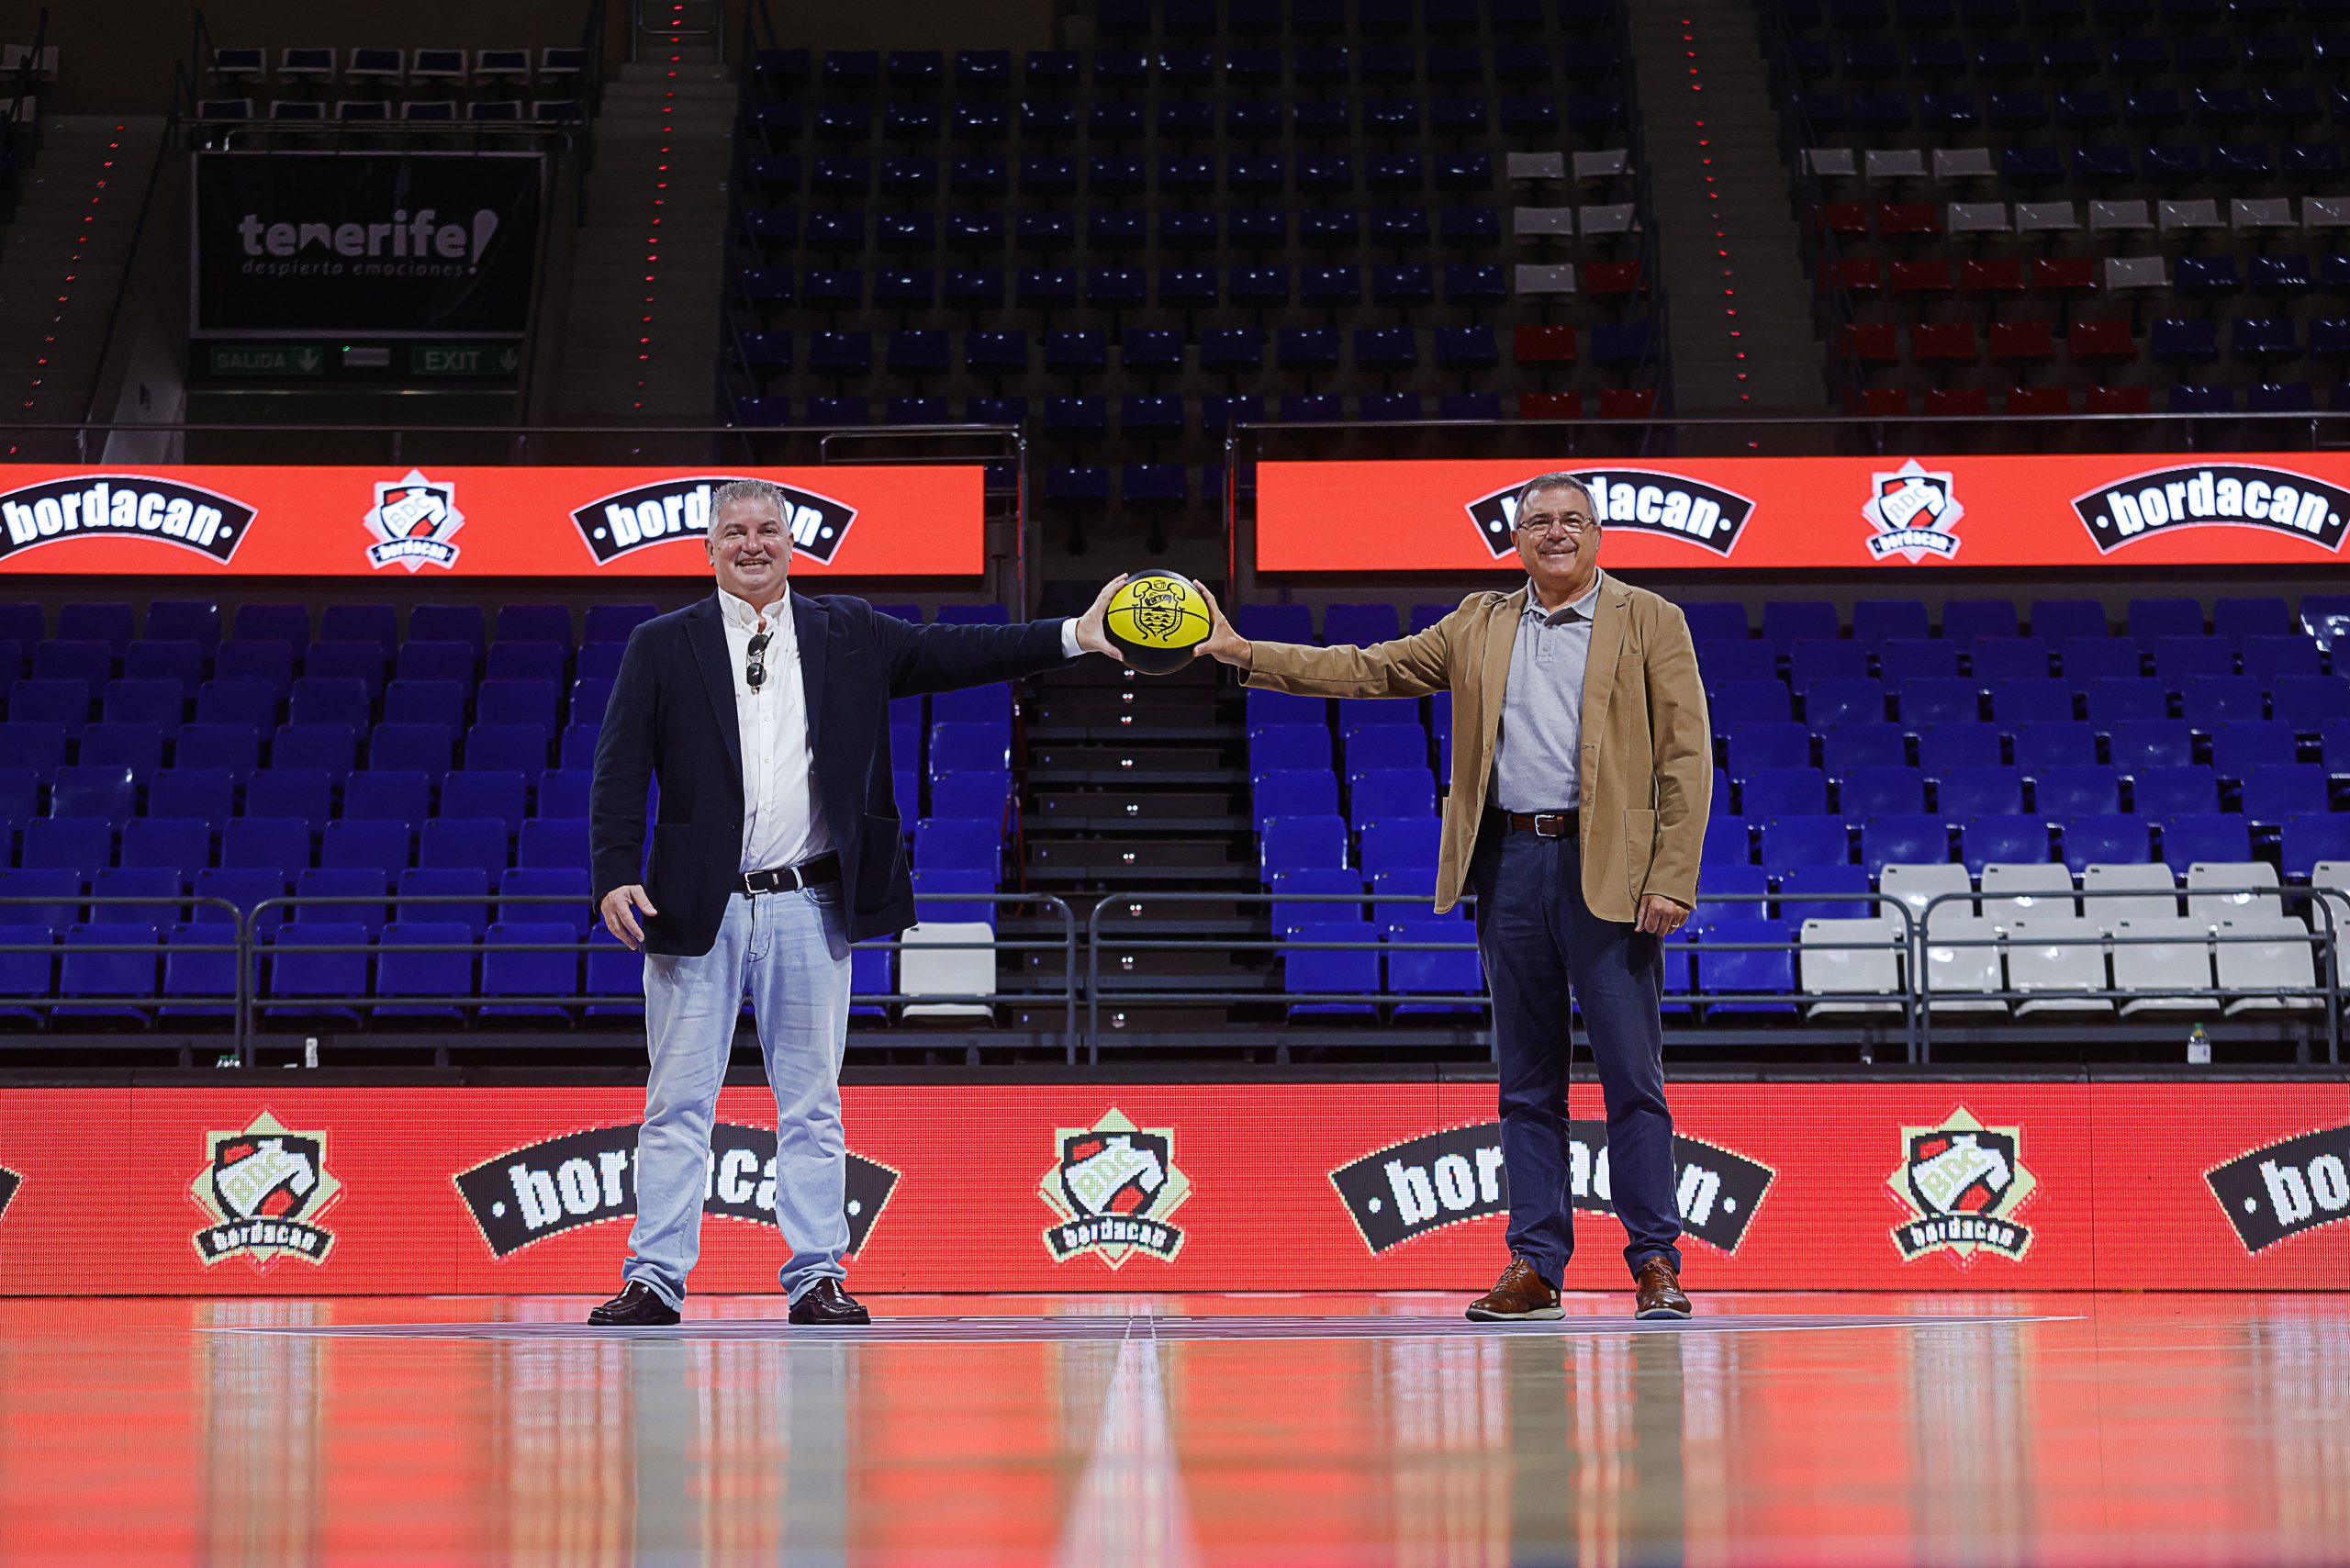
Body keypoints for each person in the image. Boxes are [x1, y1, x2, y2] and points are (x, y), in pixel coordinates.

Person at [588, 479, 1125, 1327]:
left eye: (768, 529)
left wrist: (1072, 635)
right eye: (736, 531)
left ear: (791, 543)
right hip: (696, 908)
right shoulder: (661, 644)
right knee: (677, 1103)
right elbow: (619, 768)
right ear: (709, 547)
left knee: (811, 1104)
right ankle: (653, 1277)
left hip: (811, 902)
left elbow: (960, 653)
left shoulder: (851, 631)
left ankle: (817, 1276)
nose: (753, 544)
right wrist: (615, 870)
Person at [1193, 472, 1710, 1322]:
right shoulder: (1479, 621)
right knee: (1527, 1084)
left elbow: (1687, 755)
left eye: (1572, 519)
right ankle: (1535, 1266)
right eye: (1538, 521)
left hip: (1611, 873)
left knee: (1633, 1079)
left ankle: (1655, 1260)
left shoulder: (1652, 618)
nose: (1556, 532)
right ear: (1516, 540)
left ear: (1596, 533)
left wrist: (1671, 876)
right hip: (1508, 864)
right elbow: (1368, 669)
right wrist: (1245, 652)